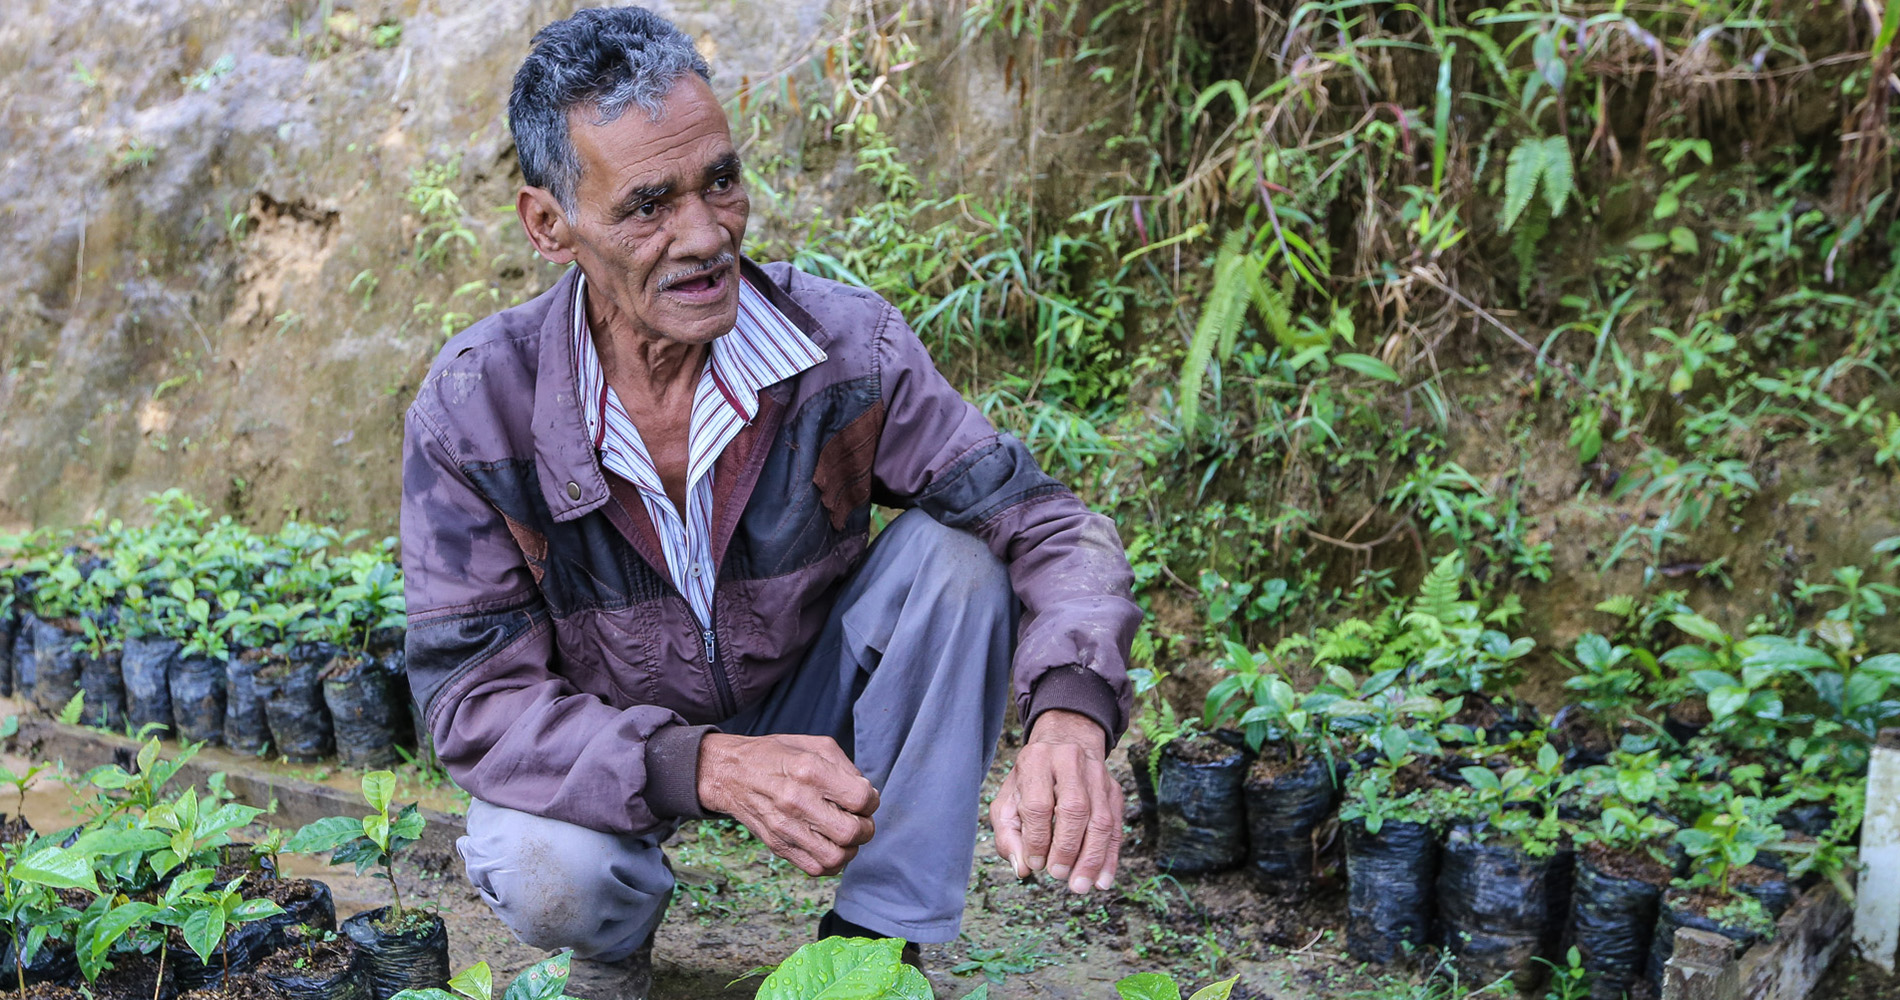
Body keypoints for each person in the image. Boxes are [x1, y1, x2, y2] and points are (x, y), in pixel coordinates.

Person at [399, 7, 1140, 997]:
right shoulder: (476, 406)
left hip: (804, 691)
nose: (705, 237)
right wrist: (702, 764)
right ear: (550, 225)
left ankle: (874, 946)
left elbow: (1046, 521)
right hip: (619, 734)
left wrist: (1069, 717)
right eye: (648, 205)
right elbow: (475, 703)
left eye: (721, 182)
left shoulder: (847, 349)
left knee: (960, 562)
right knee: (538, 857)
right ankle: (612, 953)